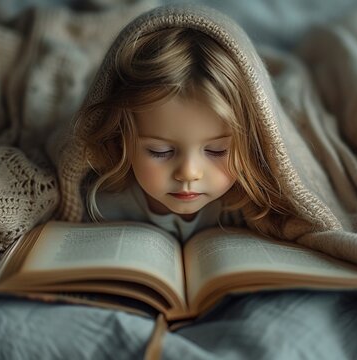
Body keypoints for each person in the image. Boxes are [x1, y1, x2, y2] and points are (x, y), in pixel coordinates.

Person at [77, 25, 294, 242]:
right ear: (121, 140)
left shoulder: (248, 207)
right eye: (160, 151)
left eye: (217, 151)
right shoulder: (102, 204)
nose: (188, 173)